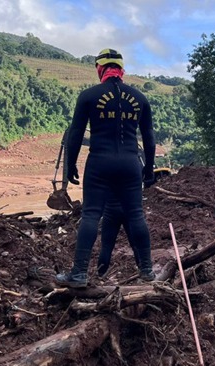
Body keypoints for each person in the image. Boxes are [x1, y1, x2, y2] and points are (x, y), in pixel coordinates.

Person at [56, 48, 157, 288]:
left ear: (100, 68)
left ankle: (79, 273)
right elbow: (149, 138)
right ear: (121, 70)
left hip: (100, 162)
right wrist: (150, 170)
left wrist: (70, 165)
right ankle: (147, 270)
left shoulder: (89, 96)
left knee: (91, 214)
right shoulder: (140, 98)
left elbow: (76, 134)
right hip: (131, 163)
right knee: (136, 215)